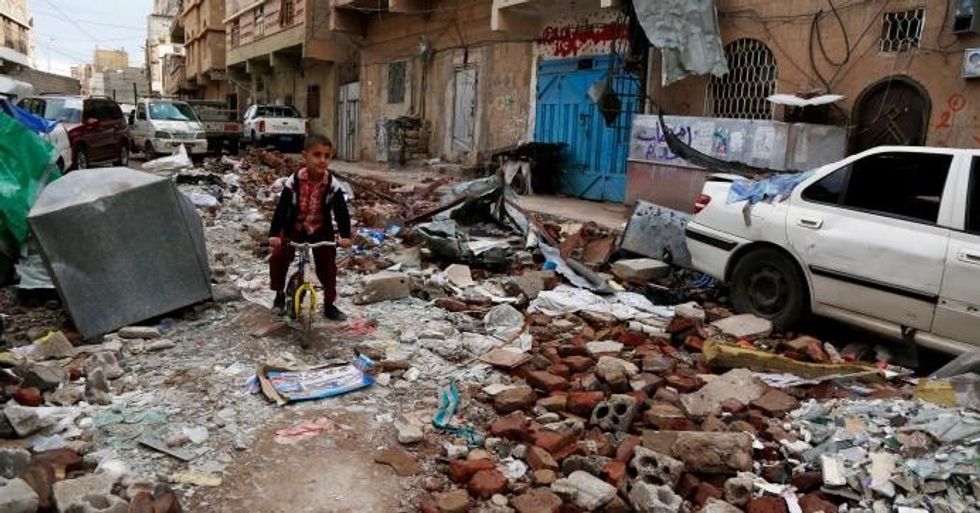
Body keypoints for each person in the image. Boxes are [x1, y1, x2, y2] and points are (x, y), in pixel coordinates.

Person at [267, 134, 352, 320]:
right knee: (279, 257)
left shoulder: (332, 184)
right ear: (304, 156)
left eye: (327, 156)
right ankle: (279, 296)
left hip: (320, 228)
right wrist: (275, 234)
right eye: (317, 155)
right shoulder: (294, 181)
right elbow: (281, 209)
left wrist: (346, 235)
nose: (322, 160)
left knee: (328, 265)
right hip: (294, 227)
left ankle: (329, 304)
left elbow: (341, 211)